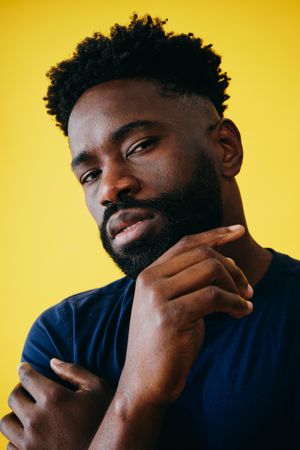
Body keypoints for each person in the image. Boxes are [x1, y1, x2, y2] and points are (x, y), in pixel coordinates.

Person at [1, 14, 300, 450]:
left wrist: (103, 430)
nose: (109, 188)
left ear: (226, 149)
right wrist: (135, 398)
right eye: (89, 174)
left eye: (139, 146)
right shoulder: (66, 338)